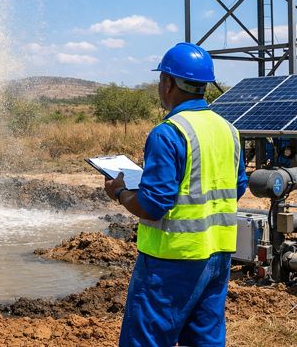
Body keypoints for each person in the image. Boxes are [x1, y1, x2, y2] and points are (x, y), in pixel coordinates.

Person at [104, 42, 247, 347]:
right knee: (205, 339)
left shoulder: (168, 133)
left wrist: (120, 193)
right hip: (217, 257)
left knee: (145, 341)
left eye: (161, 80)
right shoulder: (229, 131)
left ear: (168, 83)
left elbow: (153, 204)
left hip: (169, 261)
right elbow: (237, 187)